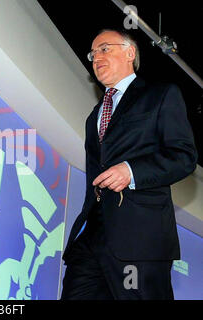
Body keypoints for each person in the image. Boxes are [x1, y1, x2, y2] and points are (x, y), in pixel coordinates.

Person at [61, 29, 198, 300]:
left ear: (129, 53)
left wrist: (131, 171)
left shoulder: (160, 95)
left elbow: (184, 157)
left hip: (139, 237)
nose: (96, 57)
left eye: (104, 49)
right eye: (92, 53)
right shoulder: (94, 115)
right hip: (91, 235)